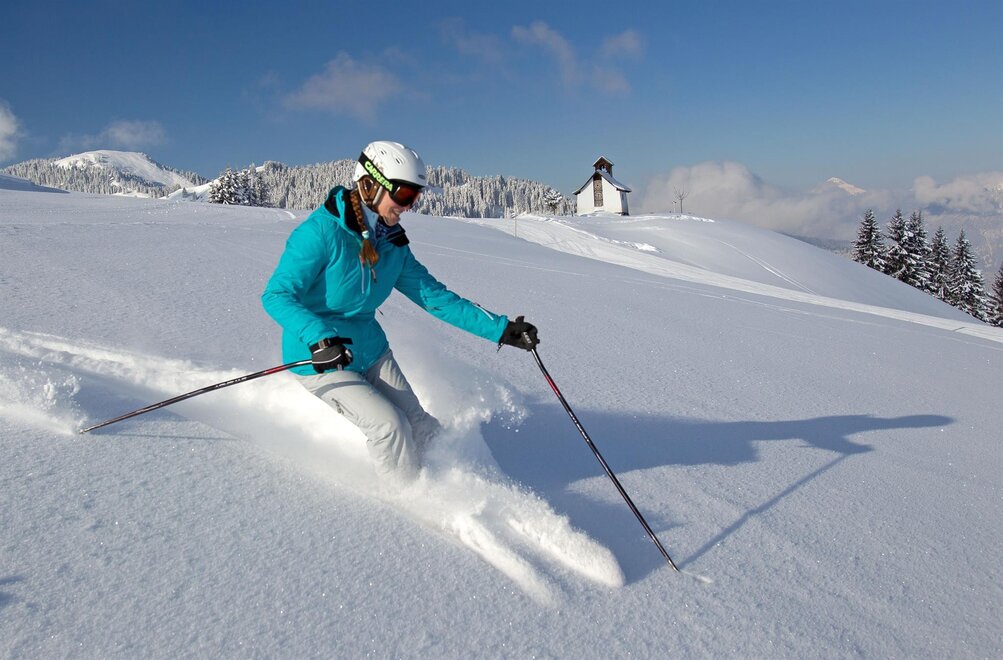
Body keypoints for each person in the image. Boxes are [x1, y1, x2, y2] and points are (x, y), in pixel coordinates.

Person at [262, 141, 538, 480]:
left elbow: (435, 297)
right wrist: (319, 338)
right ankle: (403, 503)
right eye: (405, 194)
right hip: (321, 357)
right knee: (389, 427)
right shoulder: (320, 233)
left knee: (421, 425)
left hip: (370, 350)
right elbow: (276, 295)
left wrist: (501, 329)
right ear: (370, 184)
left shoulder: (391, 243)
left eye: (415, 196)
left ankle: (449, 484)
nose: (410, 205)